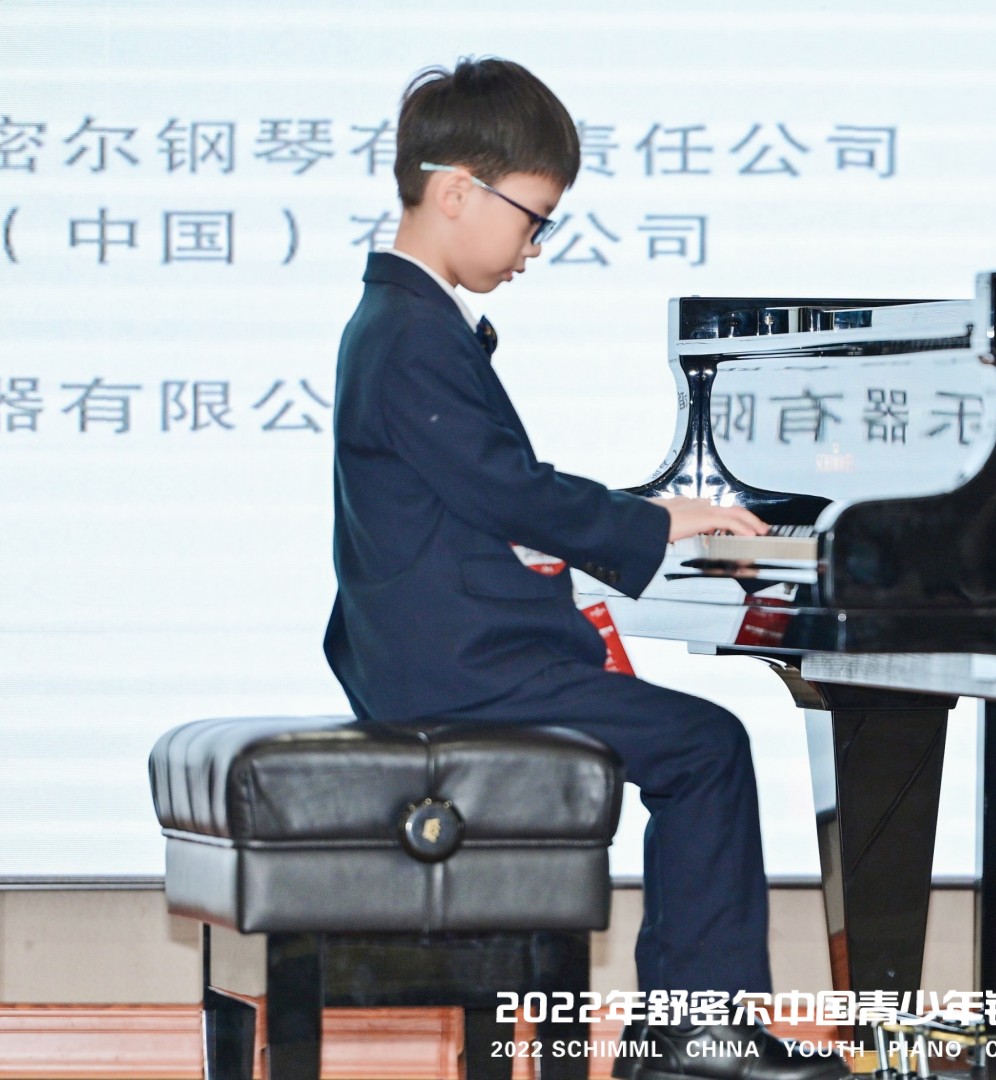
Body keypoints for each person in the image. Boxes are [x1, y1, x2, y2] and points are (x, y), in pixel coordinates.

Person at [322, 56, 845, 1080]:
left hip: (444, 658)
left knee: (694, 742)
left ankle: (682, 1030)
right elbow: (510, 491)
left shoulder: (402, 322)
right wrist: (659, 521)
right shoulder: (410, 332)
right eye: (533, 219)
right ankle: (692, 1032)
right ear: (457, 191)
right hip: (459, 674)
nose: (534, 248)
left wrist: (620, 539)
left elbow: (486, 500)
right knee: (703, 747)